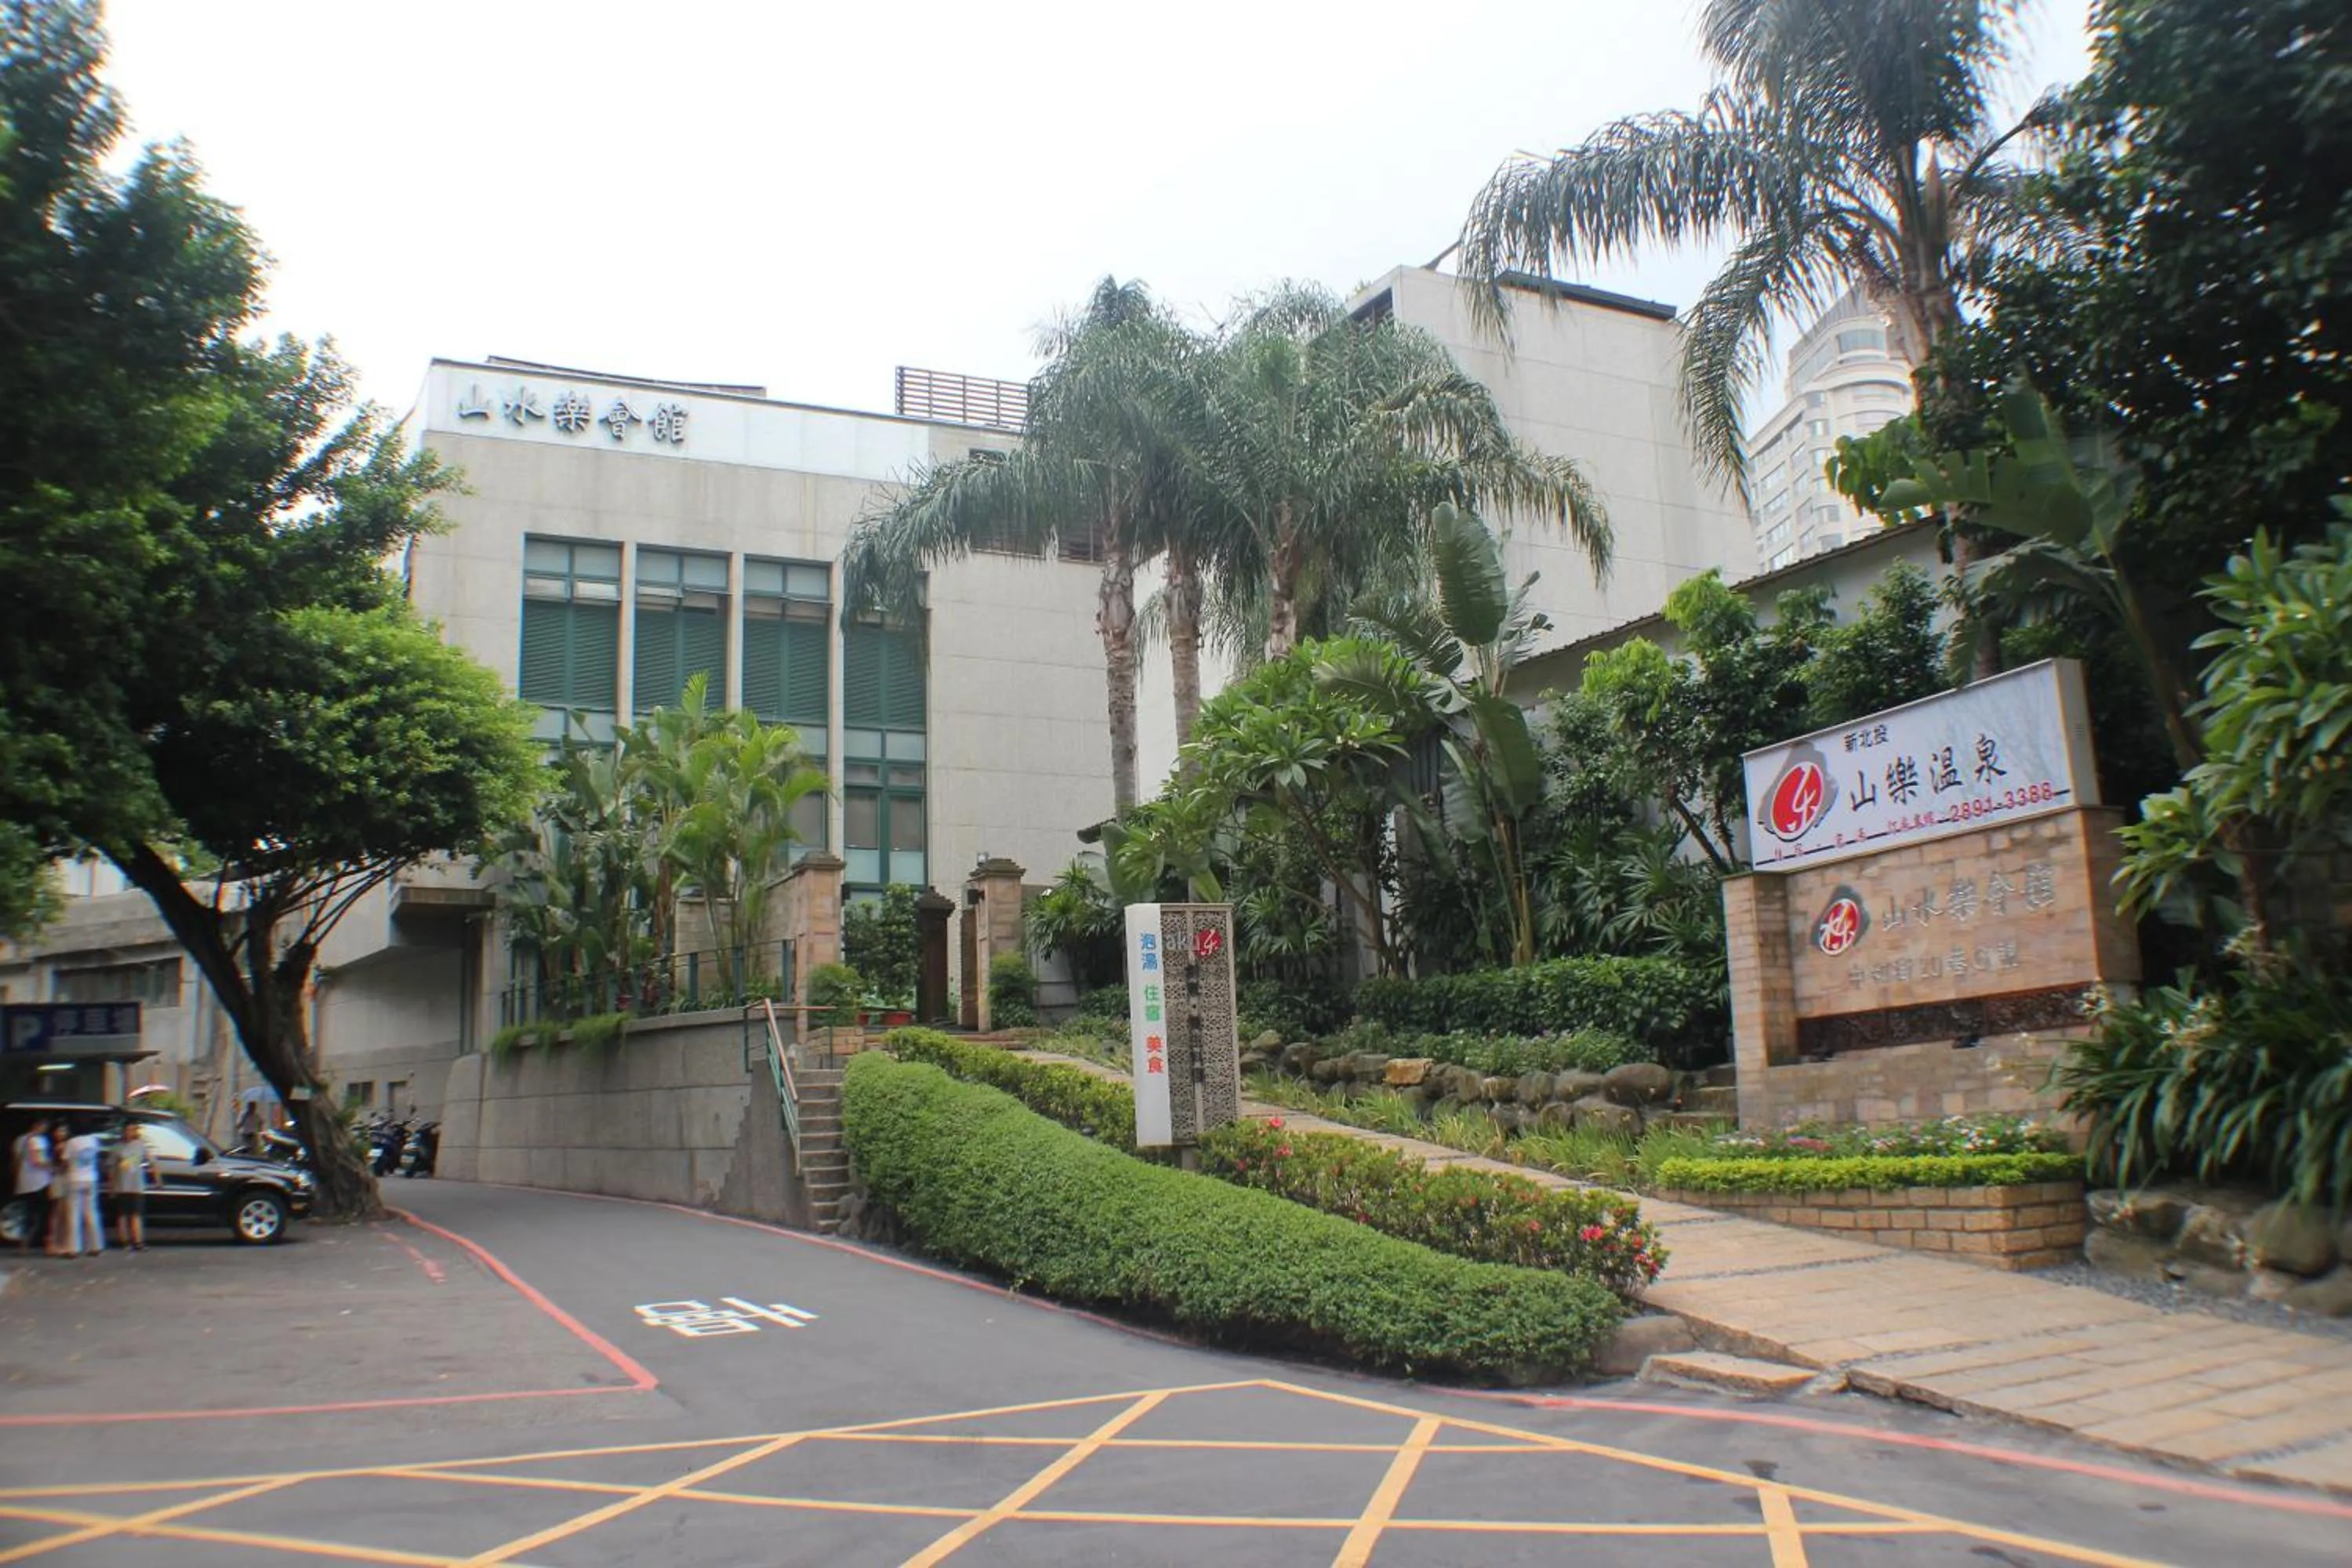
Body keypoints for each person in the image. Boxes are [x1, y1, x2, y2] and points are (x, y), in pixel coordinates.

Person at [56, 1123, 106, 1258]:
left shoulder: (72, 1142)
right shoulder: (94, 1140)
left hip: (75, 1178)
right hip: (91, 1178)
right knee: (92, 1212)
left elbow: (65, 1161)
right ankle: (96, 1245)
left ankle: (73, 1248)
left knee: (73, 1214)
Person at [10, 1117, 54, 1256]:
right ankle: (48, 1244)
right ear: (38, 1126)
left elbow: (16, 1161)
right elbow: (38, 1161)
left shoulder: (19, 1140)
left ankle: (24, 1244)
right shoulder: (38, 1140)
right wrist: (53, 1167)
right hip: (40, 1181)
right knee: (45, 1213)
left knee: (26, 1214)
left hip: (24, 1182)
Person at [111, 1129, 152, 1252]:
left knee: (136, 1214)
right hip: (122, 1185)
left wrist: (157, 1178)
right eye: (128, 1130)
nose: (130, 1133)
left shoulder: (140, 1146)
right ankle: (124, 1241)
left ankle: (138, 1241)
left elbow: (151, 1161)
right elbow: (111, 1167)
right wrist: (112, 1185)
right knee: (123, 1215)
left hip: (136, 1185)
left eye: (133, 1130)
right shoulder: (117, 1147)